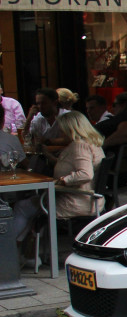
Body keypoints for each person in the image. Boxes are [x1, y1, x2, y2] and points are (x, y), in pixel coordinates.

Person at [10, 111, 103, 266]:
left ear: (70, 129)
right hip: (88, 199)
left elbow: (85, 173)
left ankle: (10, 250)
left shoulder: (78, 146)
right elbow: (72, 165)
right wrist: (50, 157)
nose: (59, 133)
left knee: (23, 206)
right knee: (30, 208)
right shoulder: (91, 143)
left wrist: (62, 181)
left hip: (74, 200)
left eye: (61, 129)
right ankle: (25, 255)